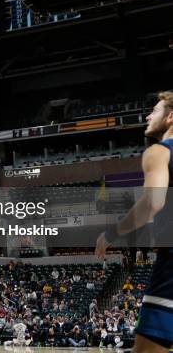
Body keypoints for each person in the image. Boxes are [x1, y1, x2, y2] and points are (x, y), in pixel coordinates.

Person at [95, 91, 173, 352]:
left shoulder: (159, 152)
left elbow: (152, 203)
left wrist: (112, 234)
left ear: (171, 117)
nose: (148, 116)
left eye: (155, 110)